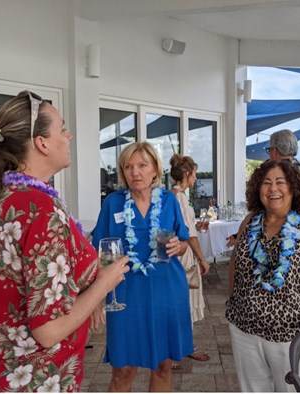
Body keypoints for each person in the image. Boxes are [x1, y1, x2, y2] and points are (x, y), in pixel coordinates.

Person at [0, 90, 129, 392]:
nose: (69, 135)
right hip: (32, 380)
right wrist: (105, 281)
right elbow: (47, 332)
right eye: (62, 128)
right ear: (42, 143)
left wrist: (85, 300)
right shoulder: (39, 210)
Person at [225, 160, 300, 392]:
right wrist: (235, 301)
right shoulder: (249, 222)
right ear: (258, 189)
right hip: (245, 331)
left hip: (292, 336)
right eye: (266, 183)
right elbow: (235, 264)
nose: (273, 189)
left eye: (280, 182)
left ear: (293, 188)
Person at [91, 141, 193, 392]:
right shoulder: (113, 203)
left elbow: (183, 241)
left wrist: (178, 247)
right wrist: (96, 296)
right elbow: (101, 252)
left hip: (166, 289)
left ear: (155, 170)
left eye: (142, 165)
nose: (135, 172)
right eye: (128, 166)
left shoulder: (169, 200)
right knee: (123, 369)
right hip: (125, 292)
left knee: (162, 366)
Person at [169, 153, 211, 369]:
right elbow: (189, 235)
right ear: (187, 174)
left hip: (177, 252)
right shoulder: (180, 198)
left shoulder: (173, 196)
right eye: (194, 174)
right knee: (184, 301)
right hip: (183, 255)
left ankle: (182, 346)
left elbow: (186, 228)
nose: (196, 178)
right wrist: (202, 259)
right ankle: (179, 349)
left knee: (181, 300)